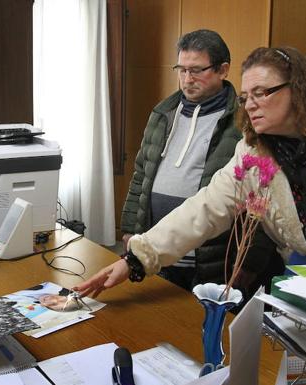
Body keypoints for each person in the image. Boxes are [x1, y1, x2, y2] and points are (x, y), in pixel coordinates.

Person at [76, 46, 306, 299]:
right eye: (246, 95)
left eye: (263, 92)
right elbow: (204, 209)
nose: (250, 104)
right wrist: (137, 259)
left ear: (299, 89)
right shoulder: (252, 152)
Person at [120, 29, 280, 293]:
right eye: (181, 70)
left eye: (196, 70)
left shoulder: (244, 121)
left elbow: (259, 198)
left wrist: (249, 264)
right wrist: (130, 230)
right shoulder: (163, 113)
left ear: (223, 70)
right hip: (156, 250)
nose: (187, 79)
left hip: (210, 259)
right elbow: (141, 174)